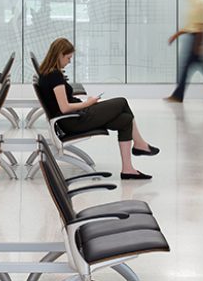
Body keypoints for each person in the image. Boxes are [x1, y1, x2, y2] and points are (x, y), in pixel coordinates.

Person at [36, 38, 159, 180]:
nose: (69, 61)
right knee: (122, 102)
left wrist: (87, 104)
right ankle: (139, 144)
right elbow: (64, 108)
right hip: (73, 121)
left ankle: (128, 169)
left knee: (125, 120)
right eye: (68, 58)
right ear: (59, 55)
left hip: (75, 117)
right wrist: (88, 104)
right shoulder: (54, 76)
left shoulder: (48, 73)